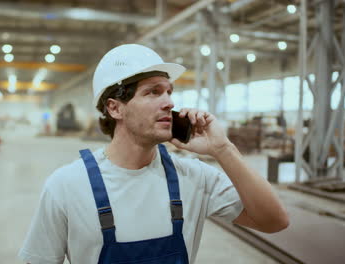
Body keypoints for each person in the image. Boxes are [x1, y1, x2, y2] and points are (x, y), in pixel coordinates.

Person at [19, 44, 289, 264]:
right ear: (115, 108)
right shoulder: (67, 185)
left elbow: (274, 221)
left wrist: (222, 149)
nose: (169, 102)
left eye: (169, 91)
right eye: (153, 92)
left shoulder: (194, 178)